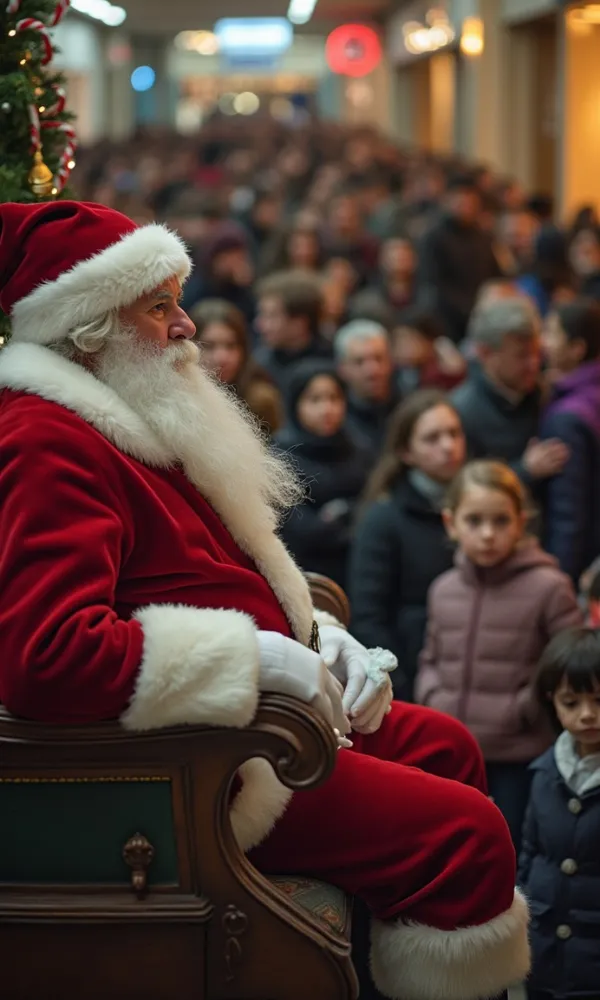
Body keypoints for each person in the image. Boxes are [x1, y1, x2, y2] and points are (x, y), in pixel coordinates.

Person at [0, 201, 529, 1000]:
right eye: (160, 306)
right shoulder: (46, 440)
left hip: (248, 727)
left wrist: (320, 638)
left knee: (449, 746)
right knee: (467, 835)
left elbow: (203, 570)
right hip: (208, 767)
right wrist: (254, 658)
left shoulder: (123, 410)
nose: (187, 327)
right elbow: (48, 658)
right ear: (88, 329)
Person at [416, 461, 582, 852]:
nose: (488, 534)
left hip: (518, 755)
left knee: (510, 850)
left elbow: (572, 660)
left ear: (521, 522)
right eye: (474, 521)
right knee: (456, 849)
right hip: (454, 754)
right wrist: (431, 698)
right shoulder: (443, 589)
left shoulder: (550, 587)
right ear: (450, 522)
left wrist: (524, 708)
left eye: (501, 521)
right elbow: (431, 657)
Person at [350, 391, 466, 701]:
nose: (448, 446)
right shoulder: (384, 519)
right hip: (414, 677)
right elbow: (368, 616)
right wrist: (401, 683)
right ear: (406, 452)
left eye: (454, 433)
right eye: (432, 438)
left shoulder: (474, 507)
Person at [519, 627, 600, 1000]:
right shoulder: (544, 772)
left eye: (599, 701)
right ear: (552, 700)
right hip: (545, 955)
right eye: (572, 702)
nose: (587, 715)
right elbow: (530, 852)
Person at [451, 296, 569, 490]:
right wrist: (523, 471)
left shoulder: (545, 392)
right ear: (485, 353)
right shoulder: (461, 412)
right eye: (522, 355)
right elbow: (464, 490)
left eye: (537, 353)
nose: (533, 364)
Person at [274, 361, 370, 589]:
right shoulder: (279, 456)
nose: (327, 409)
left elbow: (371, 506)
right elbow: (296, 527)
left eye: (334, 398)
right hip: (301, 573)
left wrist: (342, 513)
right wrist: (340, 523)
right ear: (295, 405)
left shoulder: (360, 449)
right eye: (314, 400)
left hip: (355, 569)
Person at [540, 299, 600, 582]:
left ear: (577, 349)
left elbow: (569, 515)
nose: (544, 342)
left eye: (552, 333)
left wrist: (560, 580)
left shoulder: (567, 418)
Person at [416, 173, 502, 343]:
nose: (466, 207)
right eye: (461, 202)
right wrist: (468, 309)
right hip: (447, 320)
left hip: (482, 315)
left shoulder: (484, 238)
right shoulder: (434, 238)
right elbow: (434, 283)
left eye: (471, 203)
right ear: (448, 200)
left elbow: (495, 275)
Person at [191, 299, 283, 434]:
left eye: (231, 345)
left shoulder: (261, 401)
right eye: (208, 346)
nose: (222, 358)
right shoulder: (178, 400)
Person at [254, 269, 333, 391]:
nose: (259, 325)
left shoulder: (331, 365)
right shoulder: (258, 365)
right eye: (262, 314)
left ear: (299, 323)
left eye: (271, 316)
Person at [334, 319, 400, 453]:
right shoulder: (334, 422)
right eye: (359, 362)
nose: (372, 370)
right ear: (342, 369)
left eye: (378, 358)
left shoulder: (408, 409)